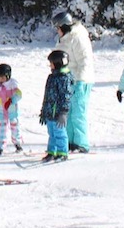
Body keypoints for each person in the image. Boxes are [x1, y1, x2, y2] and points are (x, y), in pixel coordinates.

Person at [53, 10, 96, 153]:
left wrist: (81, 81)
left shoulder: (78, 37)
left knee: (78, 112)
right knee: (67, 112)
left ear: (64, 26)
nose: (56, 31)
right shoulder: (63, 38)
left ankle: (81, 143)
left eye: (57, 27)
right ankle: (70, 142)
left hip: (80, 80)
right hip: (67, 80)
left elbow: (85, 61)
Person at [39, 50, 74, 163]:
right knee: (52, 133)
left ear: (58, 63)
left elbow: (66, 96)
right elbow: (47, 96)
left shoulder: (64, 78)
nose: (50, 65)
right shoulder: (52, 77)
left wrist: (63, 112)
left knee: (60, 133)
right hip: (50, 111)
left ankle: (62, 152)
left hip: (58, 112)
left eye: (52, 63)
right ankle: (52, 152)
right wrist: (44, 112)